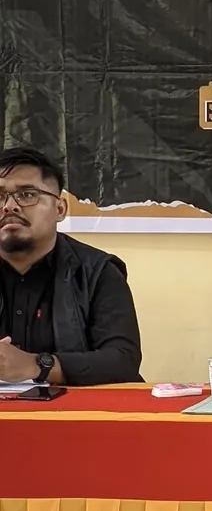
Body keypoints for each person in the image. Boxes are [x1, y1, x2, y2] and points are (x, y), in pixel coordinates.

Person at [0, 147, 142, 385]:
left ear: (60, 209)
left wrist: (37, 366)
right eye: (0, 196)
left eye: (27, 195)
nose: (9, 206)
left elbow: (122, 360)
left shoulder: (98, 272)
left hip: (77, 406)